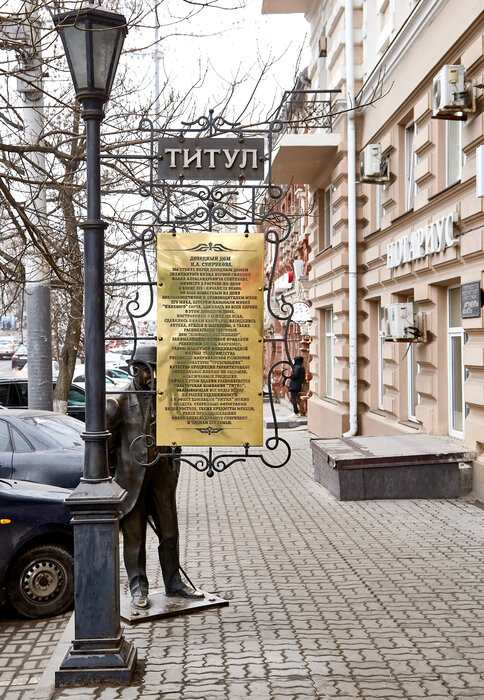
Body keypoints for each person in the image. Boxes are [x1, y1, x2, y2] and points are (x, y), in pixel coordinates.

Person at [106, 343, 203, 610]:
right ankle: (138, 588)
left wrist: (173, 467)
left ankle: (174, 583)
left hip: (161, 477)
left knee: (169, 533)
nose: (152, 376)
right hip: (132, 480)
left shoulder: (166, 397)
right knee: (135, 539)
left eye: (155, 370)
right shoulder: (119, 402)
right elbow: (107, 444)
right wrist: (112, 476)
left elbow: (177, 434)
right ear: (136, 370)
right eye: (148, 370)